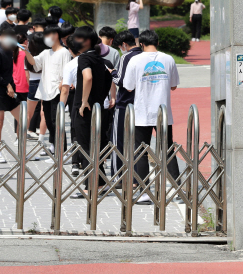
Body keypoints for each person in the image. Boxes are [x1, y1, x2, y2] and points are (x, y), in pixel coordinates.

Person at [123, 30, 180, 204]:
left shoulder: (135, 60)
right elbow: (174, 86)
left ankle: (144, 191)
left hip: (142, 111)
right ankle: (178, 188)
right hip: (163, 111)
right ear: (157, 42)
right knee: (167, 149)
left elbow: (128, 86)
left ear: (141, 44)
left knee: (141, 150)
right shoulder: (168, 59)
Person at [69, 26, 113, 198]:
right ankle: (101, 183)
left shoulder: (84, 58)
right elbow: (111, 79)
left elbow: (87, 77)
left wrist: (84, 100)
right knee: (95, 147)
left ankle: (90, 187)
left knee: (85, 147)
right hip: (98, 108)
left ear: (86, 41)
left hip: (84, 109)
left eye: (79, 38)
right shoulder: (101, 60)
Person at [23, 26, 71, 159]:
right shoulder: (46, 53)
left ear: (56, 35)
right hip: (46, 92)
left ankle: (63, 152)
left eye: (48, 35)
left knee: (57, 122)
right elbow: (34, 63)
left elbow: (66, 73)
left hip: (57, 92)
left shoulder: (64, 53)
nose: (46, 38)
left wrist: (62, 87)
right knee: (50, 122)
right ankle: (56, 150)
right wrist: (26, 51)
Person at [110, 31, 142, 179]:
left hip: (124, 104)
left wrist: (112, 72)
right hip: (140, 104)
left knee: (120, 142)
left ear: (124, 44)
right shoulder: (143, 55)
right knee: (137, 143)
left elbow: (121, 80)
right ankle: (136, 178)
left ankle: (119, 176)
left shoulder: (127, 57)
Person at [0, 28, 22, 163]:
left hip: (10, 91)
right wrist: (6, 85)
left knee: (23, 119)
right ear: (0, 37)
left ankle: (22, 149)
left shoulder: (11, 51)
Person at [60, 35, 81, 177]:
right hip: (97, 103)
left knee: (75, 132)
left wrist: (61, 107)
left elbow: (64, 89)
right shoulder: (97, 60)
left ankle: (75, 163)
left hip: (78, 102)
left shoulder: (71, 64)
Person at [24, 32, 49, 151]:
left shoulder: (28, 56)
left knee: (28, 114)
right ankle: (41, 139)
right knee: (44, 112)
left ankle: (21, 137)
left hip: (33, 83)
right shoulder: (48, 55)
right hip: (45, 83)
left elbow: (27, 76)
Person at [12, 33, 30, 142]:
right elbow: (27, 73)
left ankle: (17, 136)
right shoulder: (25, 54)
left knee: (17, 112)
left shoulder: (13, 53)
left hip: (15, 85)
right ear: (25, 42)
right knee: (25, 113)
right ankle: (22, 135)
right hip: (25, 86)